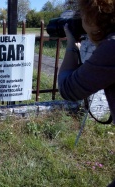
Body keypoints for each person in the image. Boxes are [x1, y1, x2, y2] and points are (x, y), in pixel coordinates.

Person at [58, 0, 115, 186]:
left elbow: (68, 88)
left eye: (82, 15)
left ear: (95, 16)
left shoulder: (112, 49)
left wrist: (71, 45)